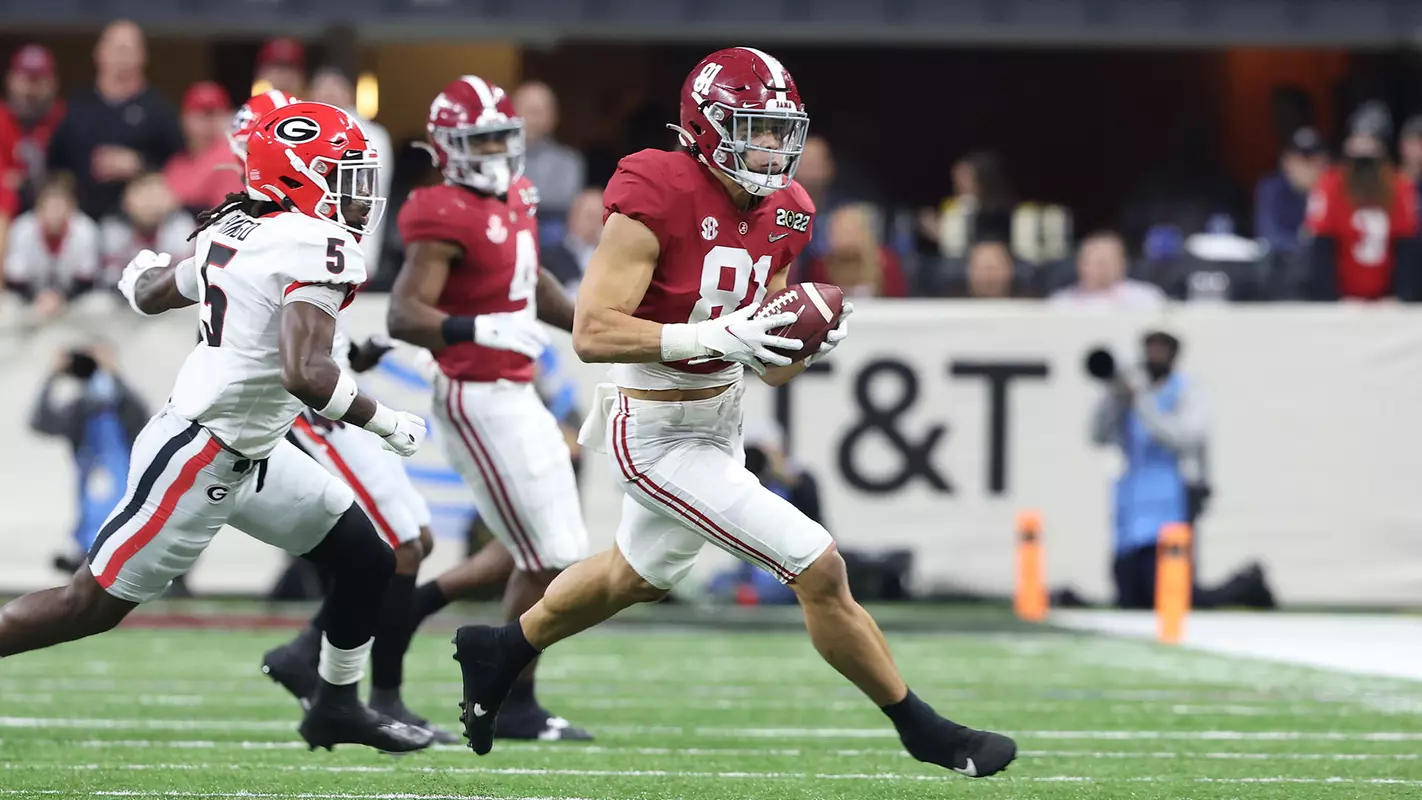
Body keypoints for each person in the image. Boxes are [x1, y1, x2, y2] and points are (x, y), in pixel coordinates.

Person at [448, 47, 1017, 779]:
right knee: (818, 565)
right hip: (650, 424)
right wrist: (714, 335)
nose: (773, 149)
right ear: (705, 127)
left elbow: (774, 365)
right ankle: (923, 729)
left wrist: (806, 342)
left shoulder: (788, 212)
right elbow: (592, 331)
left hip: (721, 416)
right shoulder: (656, 185)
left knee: (634, 576)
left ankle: (498, 650)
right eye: (754, 129)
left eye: (783, 131)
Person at [0, 100, 433, 755]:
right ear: (296, 176)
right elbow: (307, 375)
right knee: (86, 606)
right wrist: (386, 420)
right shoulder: (314, 243)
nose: (358, 193)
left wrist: (138, 275)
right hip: (198, 456)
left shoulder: (237, 228)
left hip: (251, 452)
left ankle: (335, 707)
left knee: (366, 559)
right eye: (341, 174)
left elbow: (154, 293)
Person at [386, 74, 593, 742]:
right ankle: (507, 692)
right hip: (474, 395)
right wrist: (470, 328)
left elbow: (535, 283)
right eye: (481, 141)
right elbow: (403, 312)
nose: (497, 152)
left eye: (503, 138)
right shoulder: (438, 210)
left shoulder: (520, 193)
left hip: (517, 387)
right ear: (447, 147)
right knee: (550, 554)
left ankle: (427, 612)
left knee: (546, 547)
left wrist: (596, 323)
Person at [29, 339, 149, 575]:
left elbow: (141, 415)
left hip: (128, 514)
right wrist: (52, 376)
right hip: (91, 516)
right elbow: (40, 422)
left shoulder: (124, 408)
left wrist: (114, 372)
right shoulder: (79, 409)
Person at [45, 20, 184, 220]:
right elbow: (56, 164)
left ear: (143, 56)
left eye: (128, 50)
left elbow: (180, 165)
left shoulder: (159, 110)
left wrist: (139, 164)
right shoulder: (76, 107)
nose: (121, 57)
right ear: (98, 52)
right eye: (116, 48)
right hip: (81, 220)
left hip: (142, 223)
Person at [1305, 128, 1421, 301]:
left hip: (1387, 299)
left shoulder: (1400, 187)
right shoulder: (1330, 186)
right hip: (1342, 298)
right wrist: (1330, 299)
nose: (1364, 170)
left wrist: (1401, 297)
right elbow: (1322, 246)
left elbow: (1405, 246)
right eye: (1359, 162)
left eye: (1369, 162)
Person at [1253, 127, 1328, 255]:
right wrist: (1305, 244)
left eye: (1312, 160)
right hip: (1283, 269)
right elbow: (1269, 236)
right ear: (1285, 161)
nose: (1306, 167)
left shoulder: (1333, 192)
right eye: (1300, 159)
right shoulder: (1271, 189)